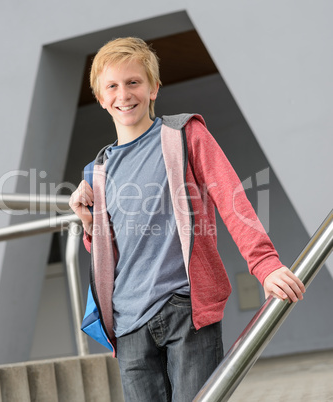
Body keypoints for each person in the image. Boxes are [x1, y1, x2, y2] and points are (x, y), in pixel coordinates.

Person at [69, 37, 305, 402]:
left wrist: (265, 265)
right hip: (129, 325)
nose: (123, 94)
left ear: (153, 89)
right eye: (112, 86)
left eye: (133, 82)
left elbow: (232, 199)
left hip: (186, 309)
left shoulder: (184, 135)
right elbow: (106, 249)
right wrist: (87, 223)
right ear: (101, 98)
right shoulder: (96, 171)